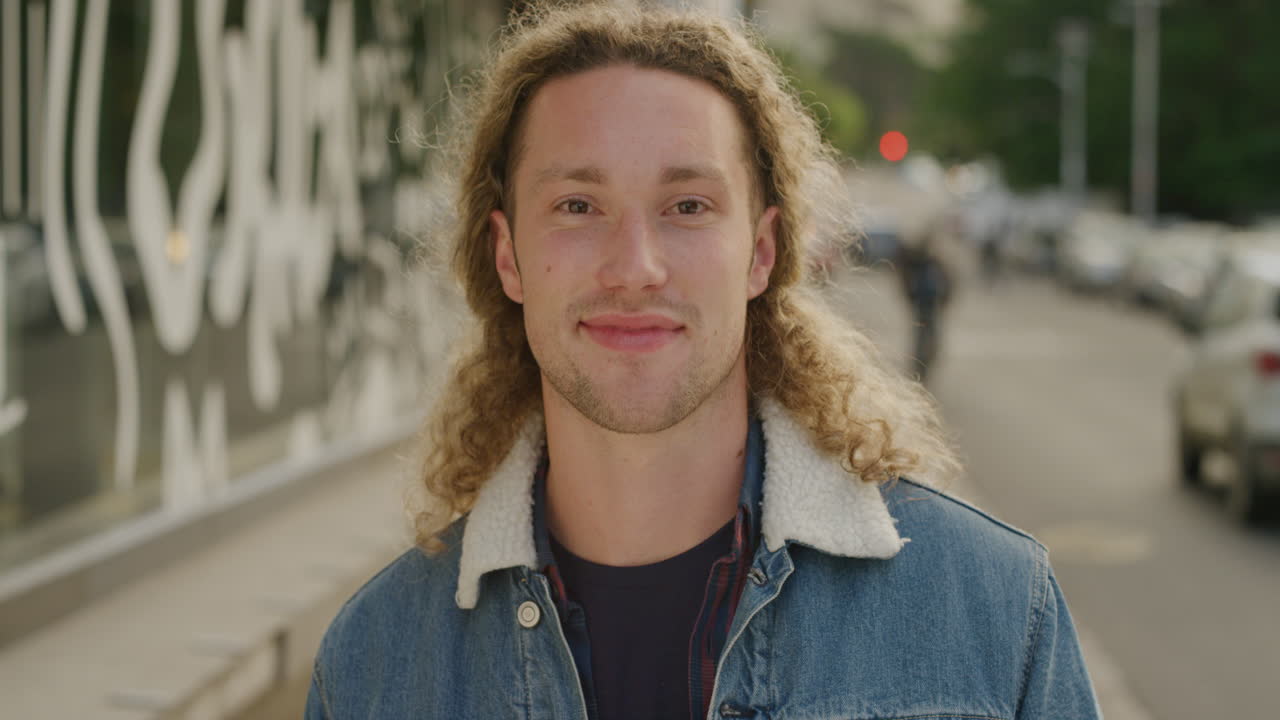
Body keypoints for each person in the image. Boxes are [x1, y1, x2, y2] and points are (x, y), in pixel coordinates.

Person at [306, 3, 1101, 719]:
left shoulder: (997, 614)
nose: (635, 266)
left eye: (687, 206)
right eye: (578, 206)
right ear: (507, 257)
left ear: (761, 252)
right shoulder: (371, 665)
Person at [896, 225, 953, 383]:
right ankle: (920, 367)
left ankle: (923, 366)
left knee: (928, 338)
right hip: (923, 306)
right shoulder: (919, 263)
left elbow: (948, 283)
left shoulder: (934, 263)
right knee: (923, 338)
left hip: (931, 306)